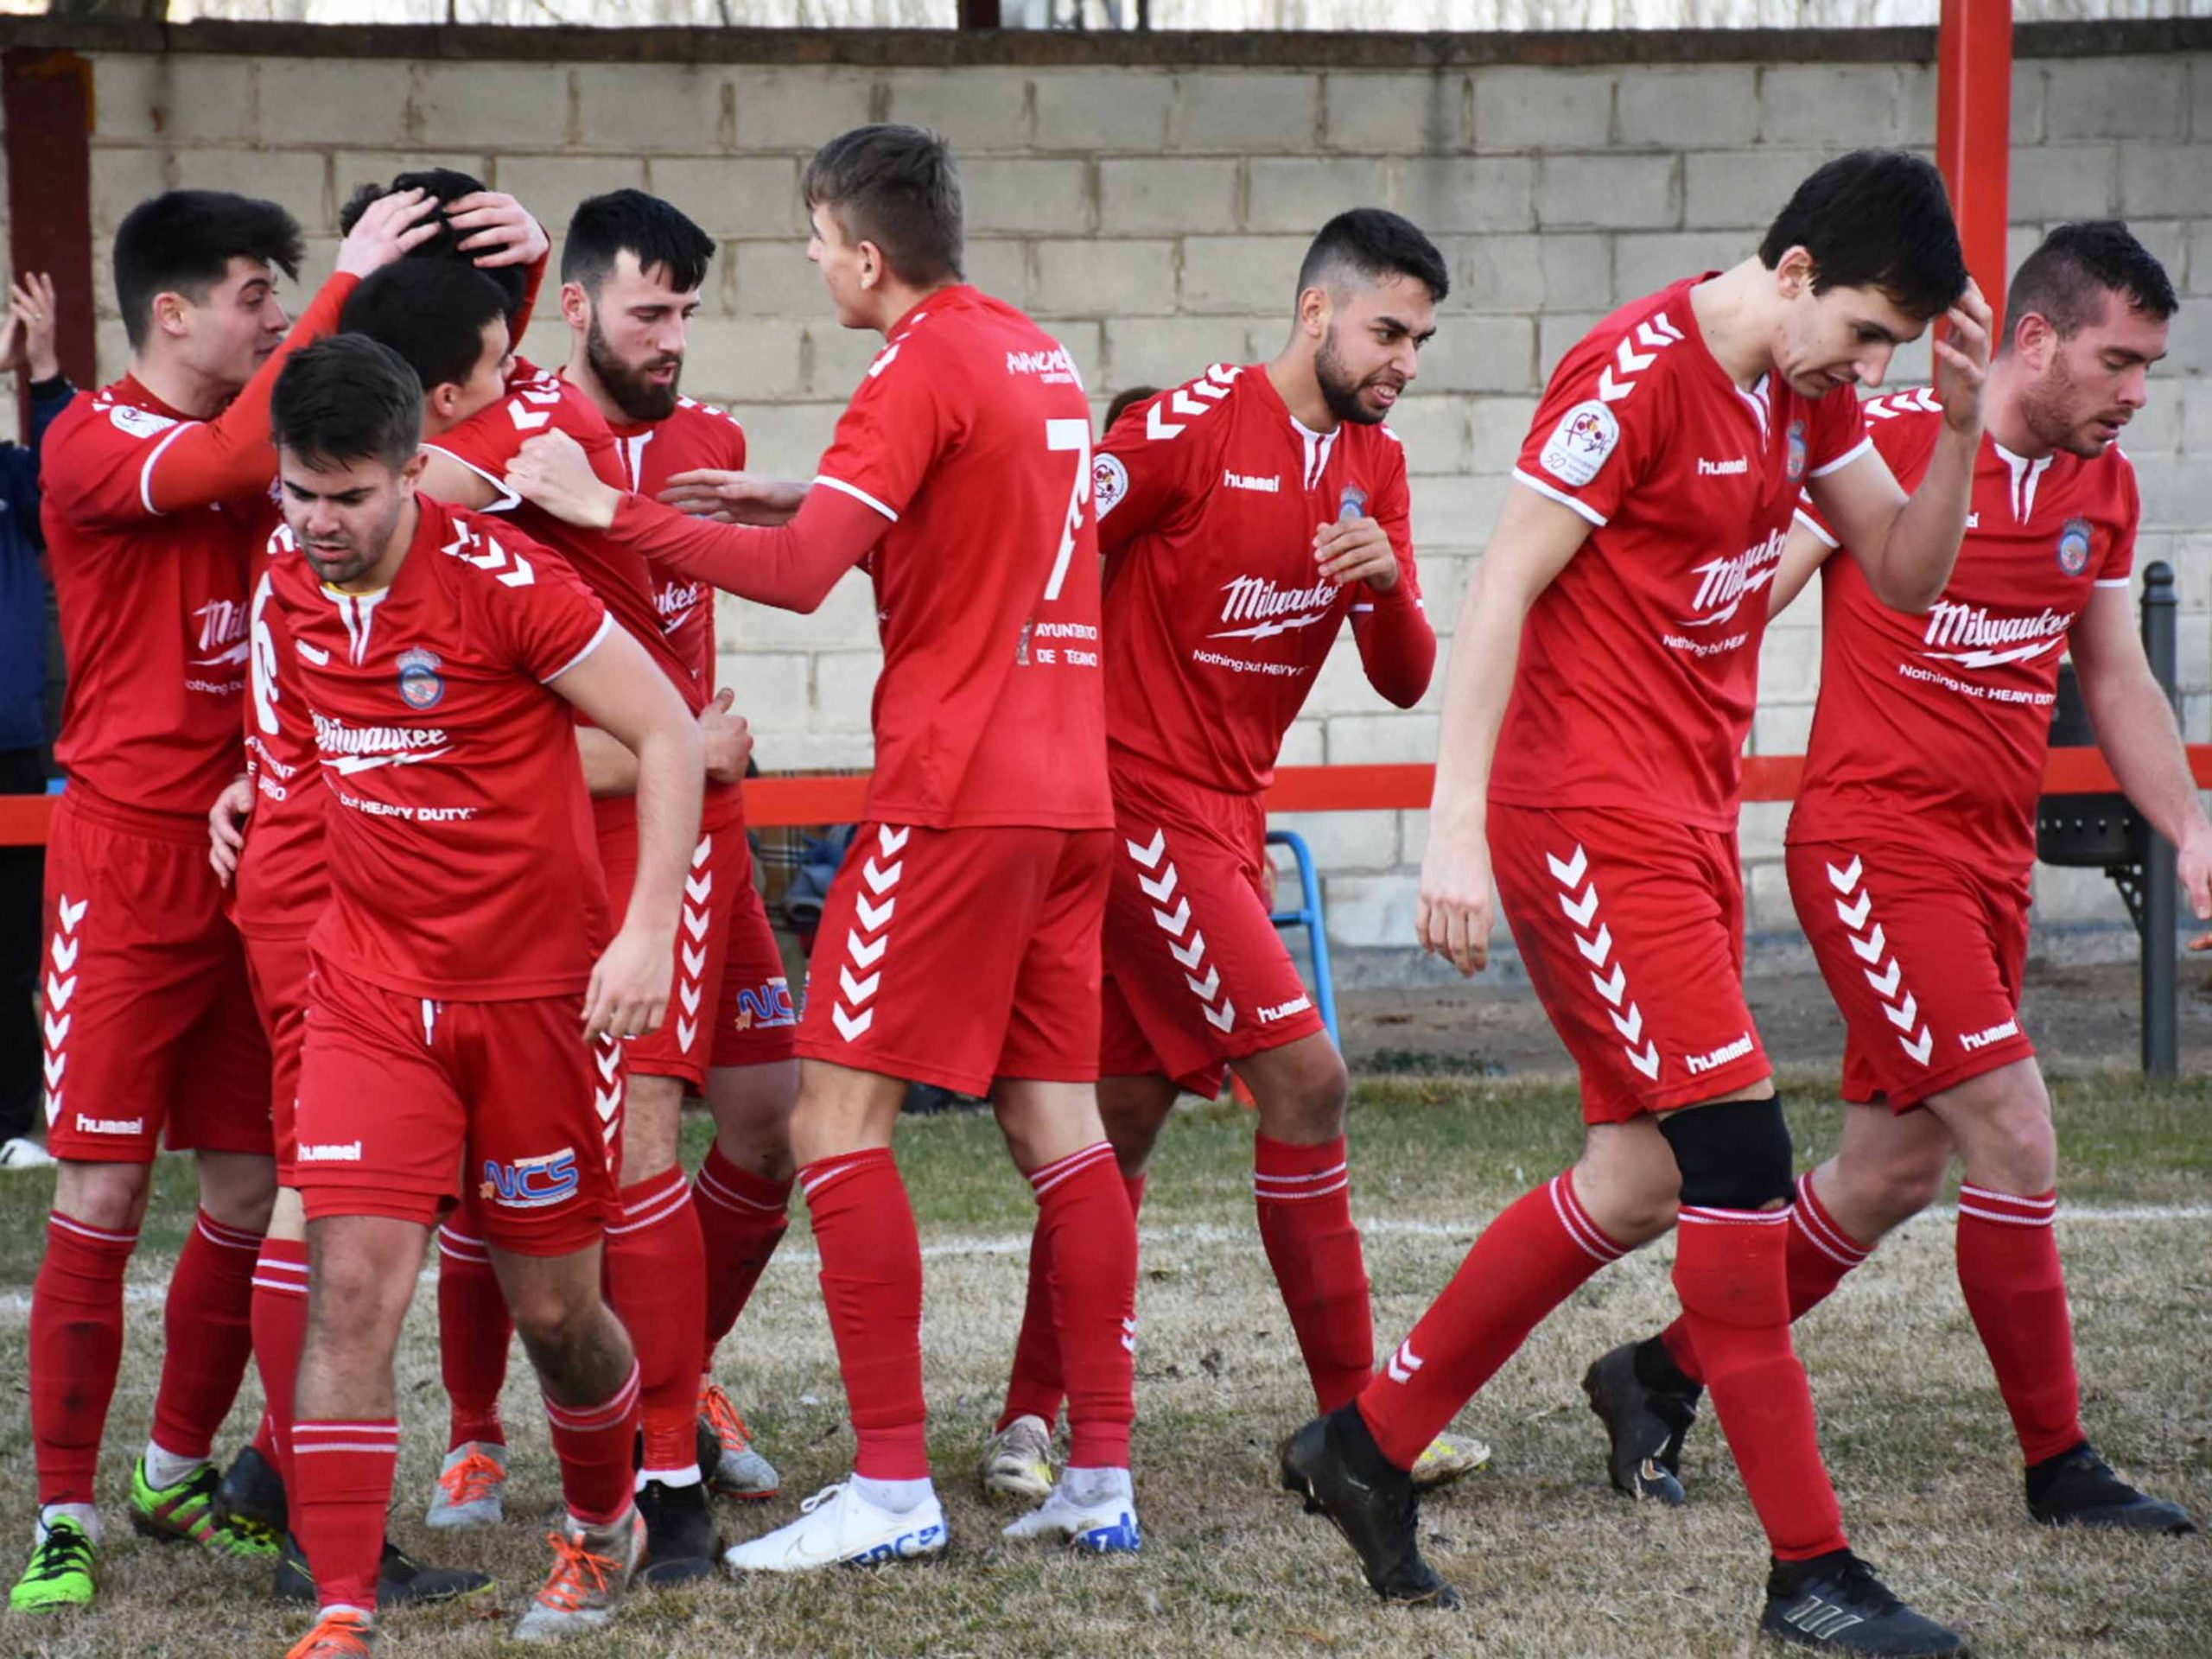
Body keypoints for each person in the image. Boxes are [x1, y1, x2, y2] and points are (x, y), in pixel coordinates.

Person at [1278, 149, 1992, 1656]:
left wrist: (1967, 424)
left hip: (1680, 822)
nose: (1872, 366)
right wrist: (1452, 831)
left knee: (1636, 1178)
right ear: (1794, 275)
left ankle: (1364, 1444)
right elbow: (1499, 594)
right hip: (1583, 825)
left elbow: (1908, 574)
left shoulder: (1809, 395)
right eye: (1866, 332)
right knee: (1740, 1158)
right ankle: (1810, 1571)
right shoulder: (1636, 372)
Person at [508, 123, 1144, 1567]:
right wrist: (795, 491)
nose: (807, 263)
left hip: (954, 791)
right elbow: (981, 511)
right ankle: (1100, 1476)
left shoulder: (914, 363)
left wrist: (608, 507)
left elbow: (797, 586)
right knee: (1062, 1128)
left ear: (866, 254)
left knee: (827, 1124)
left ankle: (893, 1487)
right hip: (1067, 793)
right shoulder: (1029, 352)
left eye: (813, 240)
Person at [1586, 220, 2199, 1539]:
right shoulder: (1893, 446)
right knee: (2018, 1130)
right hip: (1871, 853)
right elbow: (1746, 596)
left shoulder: (2105, 491)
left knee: (1887, 1176)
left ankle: (1657, 1374)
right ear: (2035, 341)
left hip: (1987, 870)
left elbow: (2117, 677)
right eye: (2120, 359)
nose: (2137, 389)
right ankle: (2060, 1463)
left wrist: (2193, 830)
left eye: (2151, 365)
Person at [981, 209, 1484, 1500]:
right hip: (1136, 805)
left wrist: (1384, 587)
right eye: (1387, 332)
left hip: (1225, 819)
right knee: (1307, 1081)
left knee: (1125, 1123)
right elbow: (1039, 559)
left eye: (1420, 341)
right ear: (1315, 312)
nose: (1403, 363)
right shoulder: (1184, 427)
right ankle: (1361, 1430)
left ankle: (1029, 1421)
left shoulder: (1377, 466)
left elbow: (1404, 675)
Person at [13, 186, 437, 1615]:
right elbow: (223, 457)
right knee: (103, 1191)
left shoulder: (272, 456)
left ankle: (175, 1470)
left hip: (254, 859)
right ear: (177, 310)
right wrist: (355, 282)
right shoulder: (92, 442)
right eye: (259, 294)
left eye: (287, 294)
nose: (276, 318)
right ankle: (61, 1518)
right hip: (127, 863)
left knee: (256, 1188)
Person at [331, 196, 761, 1580]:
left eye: (689, 311)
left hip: (714, 818)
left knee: (763, 1126)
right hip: (605, 838)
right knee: (590, 1159)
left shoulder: (710, 444)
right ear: (571, 311)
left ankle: (671, 1390)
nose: (673, 337)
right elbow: (380, 475)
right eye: (648, 310)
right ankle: (639, 1465)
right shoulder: (500, 447)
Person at [264, 334, 702, 1656]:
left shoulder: (506, 583)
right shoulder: (289, 585)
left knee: (559, 1316)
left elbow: (669, 731)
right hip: (372, 993)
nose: (322, 523)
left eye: (351, 496)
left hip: (534, 1003)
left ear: (414, 474)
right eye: (300, 493)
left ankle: (602, 1517)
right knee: (351, 1285)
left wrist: (644, 937)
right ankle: (340, 1603)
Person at [205, 191, 547, 1609]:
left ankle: (271, 1482)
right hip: (326, 884)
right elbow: (492, 454)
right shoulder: (387, 490)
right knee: (320, 1208)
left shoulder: (329, 499)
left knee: (331, 1204)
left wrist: (515, 282)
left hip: (307, 853)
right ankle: (295, 1510)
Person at [1, 273, 69, 1173]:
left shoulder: (10, 480)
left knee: (15, 950)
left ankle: (16, 1122)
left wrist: (44, 370)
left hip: (12, 746)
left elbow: (70, 479)